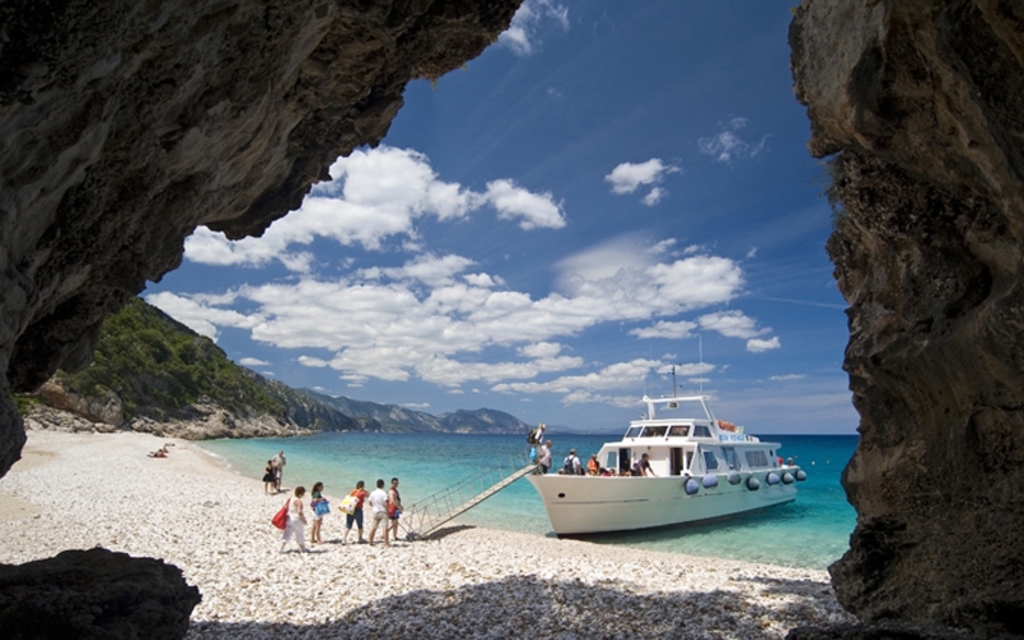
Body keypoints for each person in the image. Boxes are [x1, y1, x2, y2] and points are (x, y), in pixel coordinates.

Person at [279, 486, 309, 553]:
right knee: (299, 533)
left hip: (288, 518)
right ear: (301, 493)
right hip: (296, 519)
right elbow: (299, 512)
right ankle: (303, 548)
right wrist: (304, 519)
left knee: (287, 533)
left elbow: (285, 507)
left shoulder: (290, 499)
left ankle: (281, 548)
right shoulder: (299, 501)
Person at [343, 480, 369, 545]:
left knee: (348, 525)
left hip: (350, 509)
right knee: (360, 525)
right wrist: (364, 490)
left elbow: (350, 497)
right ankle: (360, 538)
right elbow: (368, 495)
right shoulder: (362, 493)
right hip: (358, 510)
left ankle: (344, 539)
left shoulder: (353, 491)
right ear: (363, 486)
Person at [366, 479, 389, 546]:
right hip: (383, 511)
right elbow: (386, 503)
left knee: (374, 527)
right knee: (385, 528)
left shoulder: (373, 493)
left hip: (375, 511)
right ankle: (386, 543)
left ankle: (370, 542)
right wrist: (388, 510)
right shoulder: (384, 493)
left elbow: (370, 503)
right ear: (382, 485)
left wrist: (375, 506)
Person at [387, 477, 403, 543]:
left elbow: (397, 500)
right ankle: (386, 532)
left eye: (397, 483)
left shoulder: (395, 490)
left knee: (395, 524)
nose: (396, 484)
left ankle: (394, 536)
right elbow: (393, 500)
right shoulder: (391, 491)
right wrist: (399, 507)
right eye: (394, 483)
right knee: (394, 523)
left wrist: (400, 506)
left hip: (395, 508)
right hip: (393, 509)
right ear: (392, 483)